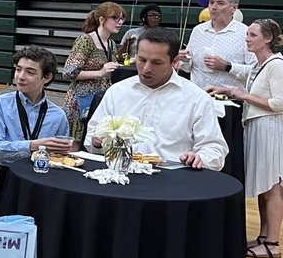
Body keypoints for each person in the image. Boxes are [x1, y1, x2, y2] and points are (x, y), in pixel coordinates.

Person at [86, 27, 227, 170]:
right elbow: (91, 137)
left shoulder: (196, 98)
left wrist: (200, 158)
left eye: (156, 63)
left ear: (175, 61)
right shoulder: (117, 92)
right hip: (122, 176)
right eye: (142, 60)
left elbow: (215, 148)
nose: (146, 68)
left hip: (172, 182)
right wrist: (97, 142)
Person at [209, 19, 283, 258]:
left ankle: (272, 243)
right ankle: (263, 236)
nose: (247, 38)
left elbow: (279, 104)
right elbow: (249, 93)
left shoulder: (276, 65)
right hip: (255, 125)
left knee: (272, 186)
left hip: (269, 127)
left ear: (268, 39)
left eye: (252, 35)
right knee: (264, 186)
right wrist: (227, 90)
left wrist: (245, 95)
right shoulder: (258, 65)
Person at [0, 46, 72, 205]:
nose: (20, 77)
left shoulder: (58, 116)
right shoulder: (0, 104)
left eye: (30, 72)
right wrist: (33, 145)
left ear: (46, 77)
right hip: (7, 178)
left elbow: (61, 156)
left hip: (44, 181)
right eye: (18, 69)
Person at [62, 1, 124, 143]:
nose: (120, 22)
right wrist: (100, 72)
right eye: (115, 18)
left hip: (100, 99)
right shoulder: (85, 40)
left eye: (122, 19)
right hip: (81, 101)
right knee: (75, 145)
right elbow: (68, 73)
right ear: (102, 19)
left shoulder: (112, 44)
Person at [179, 0, 253, 91]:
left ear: (234, 8)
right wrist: (185, 60)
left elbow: (255, 72)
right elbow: (188, 68)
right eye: (211, 2)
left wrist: (227, 66)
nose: (213, 7)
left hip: (228, 101)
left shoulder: (245, 33)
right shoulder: (198, 30)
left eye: (220, 3)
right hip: (197, 97)